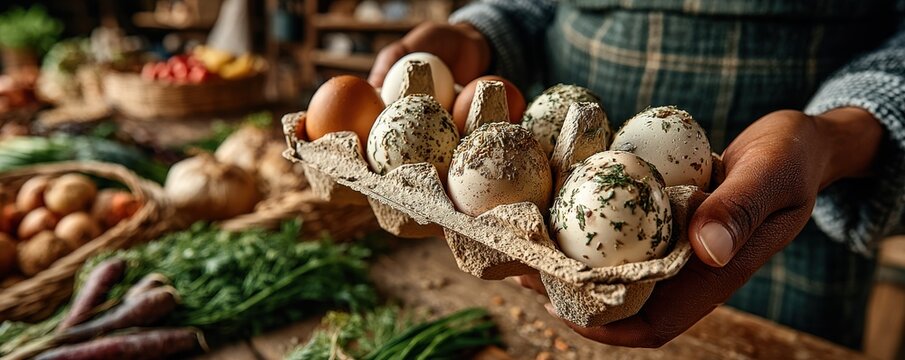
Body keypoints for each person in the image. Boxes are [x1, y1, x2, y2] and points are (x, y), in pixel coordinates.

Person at [368, 0, 905, 349]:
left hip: (789, 230)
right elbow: (535, 9)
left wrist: (843, 133)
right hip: (549, 223)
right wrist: (479, 38)